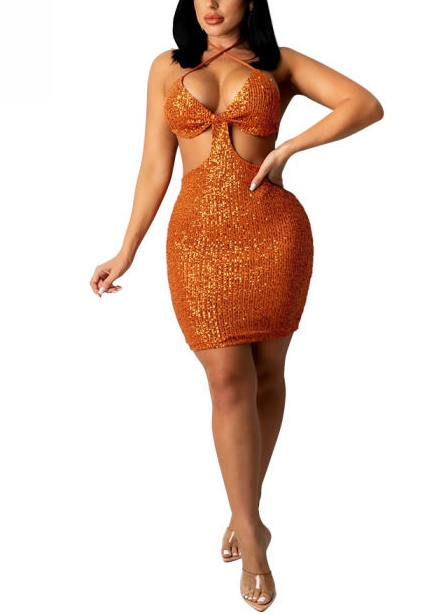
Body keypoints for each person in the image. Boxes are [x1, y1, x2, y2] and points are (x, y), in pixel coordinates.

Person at [90, 0, 383, 610]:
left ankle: (243, 509)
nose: (213, 4)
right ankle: (253, 535)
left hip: (272, 231)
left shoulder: (279, 63)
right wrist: (126, 249)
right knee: (228, 381)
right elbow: (154, 166)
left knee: (268, 375)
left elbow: (364, 104)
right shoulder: (167, 66)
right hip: (197, 237)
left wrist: (287, 149)